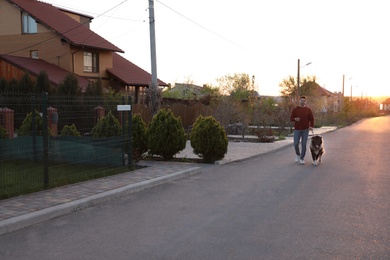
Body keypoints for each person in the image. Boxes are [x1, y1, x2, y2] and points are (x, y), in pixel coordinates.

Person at [290, 95, 314, 165]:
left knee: (304, 144)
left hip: (305, 129)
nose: (302, 102)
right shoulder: (295, 109)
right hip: (297, 129)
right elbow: (291, 118)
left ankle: (302, 158)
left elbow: (312, 119)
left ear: (305, 102)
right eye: (301, 101)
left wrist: (311, 126)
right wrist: (295, 119)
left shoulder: (308, 110)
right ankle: (298, 154)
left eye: (304, 101)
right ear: (299, 101)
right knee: (296, 143)